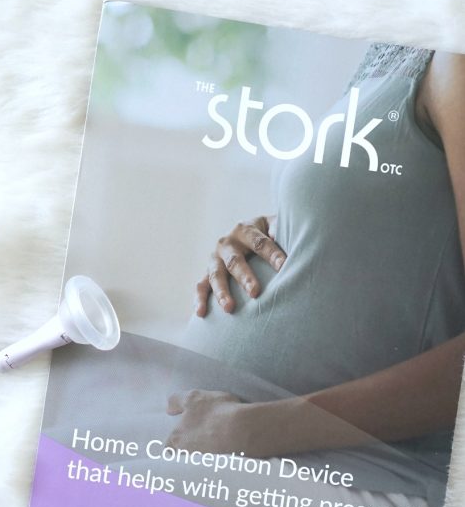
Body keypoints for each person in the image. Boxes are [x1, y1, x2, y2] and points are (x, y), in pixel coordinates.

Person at [169, 46, 465, 461]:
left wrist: (262, 428)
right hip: (234, 437)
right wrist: (263, 234)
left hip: (349, 463)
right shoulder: (392, 53)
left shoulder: (455, 59)